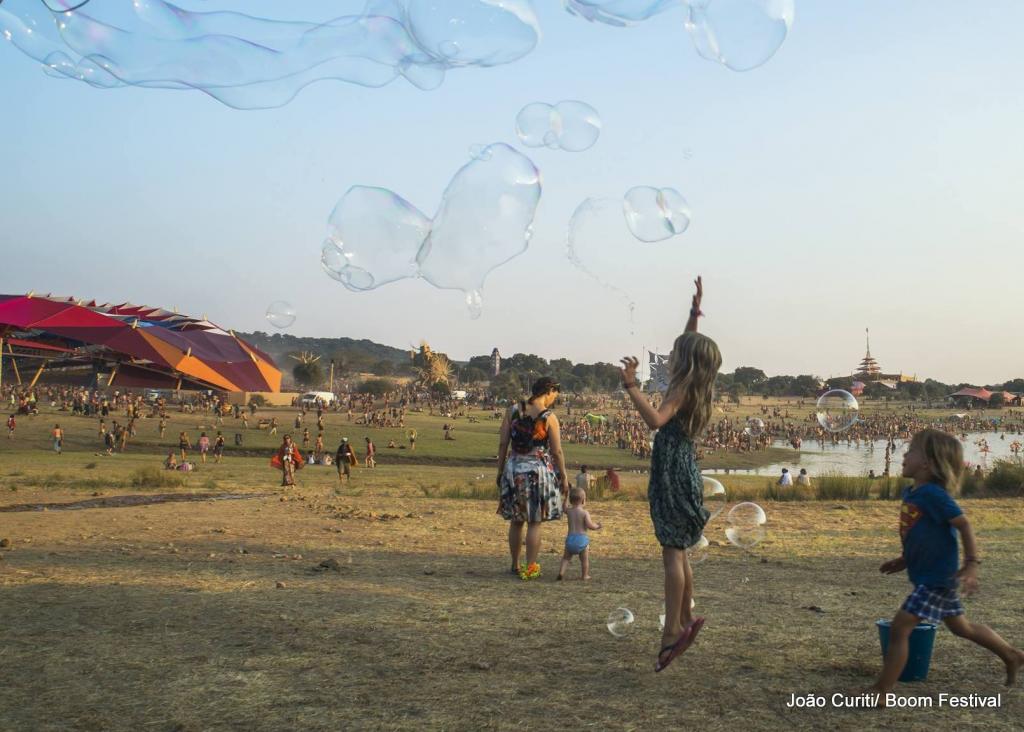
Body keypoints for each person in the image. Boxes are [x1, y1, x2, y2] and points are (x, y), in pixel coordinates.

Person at [868, 428, 1024, 702]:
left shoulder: (932, 494)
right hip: (931, 575)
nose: (904, 455)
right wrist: (904, 559)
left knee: (900, 628)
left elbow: (963, 524)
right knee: (962, 628)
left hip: (937, 579)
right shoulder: (913, 493)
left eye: (911, 450)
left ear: (927, 463)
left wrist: (972, 563)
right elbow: (920, 534)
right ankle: (1012, 655)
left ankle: (881, 691)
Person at [620, 275, 718, 672]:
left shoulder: (678, 391)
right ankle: (683, 617)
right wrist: (694, 313)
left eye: (678, 352)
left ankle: (672, 632)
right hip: (684, 470)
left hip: (672, 474)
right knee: (679, 549)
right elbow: (688, 343)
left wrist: (631, 387)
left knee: (671, 554)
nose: (672, 355)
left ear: (685, 362)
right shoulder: (695, 384)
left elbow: (657, 421)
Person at [496, 376, 569, 581]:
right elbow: (557, 451)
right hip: (538, 472)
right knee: (535, 521)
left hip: (513, 469)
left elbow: (503, 444)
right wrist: (563, 476)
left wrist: (500, 471)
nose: (555, 399)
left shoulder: (512, 410)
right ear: (549, 391)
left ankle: (514, 564)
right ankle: (530, 568)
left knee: (517, 520)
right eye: (555, 394)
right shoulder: (549, 417)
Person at [557, 487, 602, 581]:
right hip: (582, 540)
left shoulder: (569, 511)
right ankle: (585, 575)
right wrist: (597, 526)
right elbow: (590, 526)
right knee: (584, 560)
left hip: (570, 539)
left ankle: (561, 573)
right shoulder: (584, 513)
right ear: (583, 500)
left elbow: (564, 508)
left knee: (566, 558)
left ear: (571, 500)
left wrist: (565, 498)